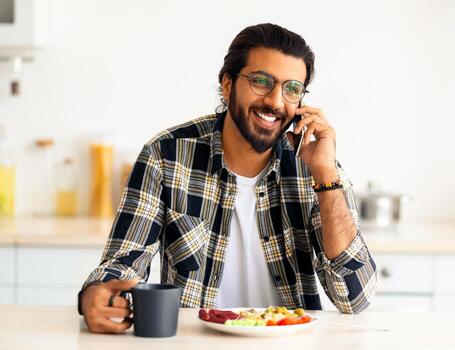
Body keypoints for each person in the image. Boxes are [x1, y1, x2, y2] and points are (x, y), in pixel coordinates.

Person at [78, 23, 377, 334]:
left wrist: (326, 176)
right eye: (262, 81)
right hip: (194, 342)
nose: (275, 101)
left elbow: (354, 298)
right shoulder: (166, 154)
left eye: (291, 89)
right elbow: (123, 263)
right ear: (227, 84)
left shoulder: (316, 166)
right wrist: (95, 295)